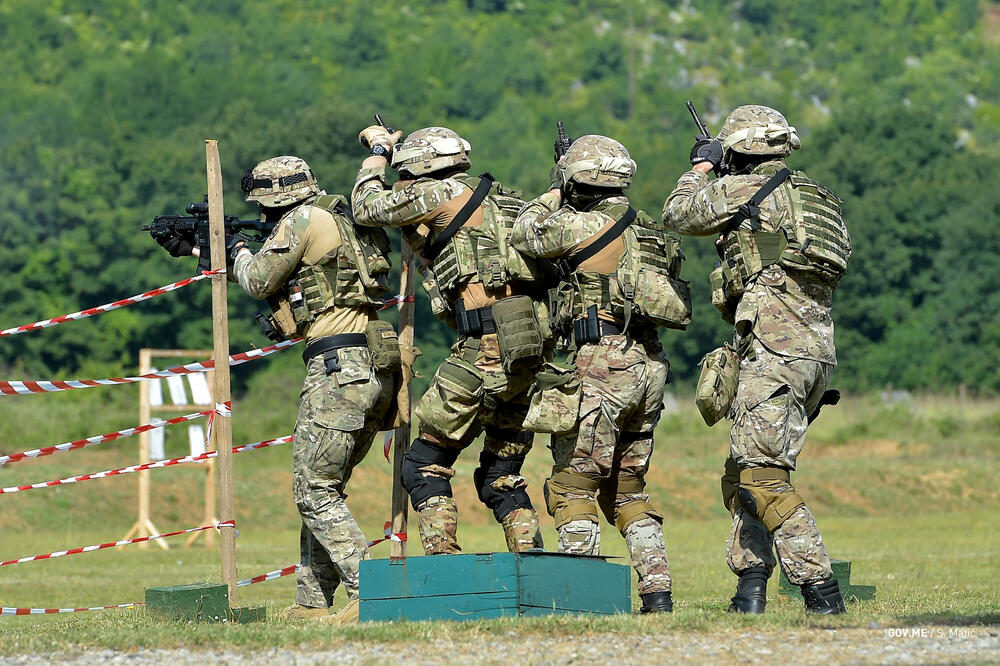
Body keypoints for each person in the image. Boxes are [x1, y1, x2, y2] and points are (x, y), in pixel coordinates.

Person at [155, 155, 399, 622]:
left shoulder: (303, 219)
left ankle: (369, 590)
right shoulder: (344, 217)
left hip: (338, 367)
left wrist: (234, 247)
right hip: (372, 364)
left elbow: (256, 279)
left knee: (313, 489)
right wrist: (203, 248)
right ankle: (311, 601)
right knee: (324, 487)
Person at [663, 105, 852, 614]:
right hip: (813, 352)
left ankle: (822, 594)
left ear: (737, 148)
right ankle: (750, 590)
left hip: (773, 348)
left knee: (763, 480)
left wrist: (702, 166)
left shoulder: (745, 189)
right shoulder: (816, 196)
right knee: (745, 471)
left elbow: (678, 213)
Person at [511, 135, 692, 614]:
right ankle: (658, 596)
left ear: (579, 179)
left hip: (603, 361)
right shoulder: (649, 231)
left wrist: (553, 190)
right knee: (628, 490)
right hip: (650, 365)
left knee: (574, 484)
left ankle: (582, 599)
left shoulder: (583, 223)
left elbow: (525, 232)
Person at [351, 124, 548, 555]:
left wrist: (379, 153)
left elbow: (366, 207)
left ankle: (444, 561)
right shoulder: (508, 200)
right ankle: (532, 563)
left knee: (424, 465)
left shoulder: (437, 195)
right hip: (532, 350)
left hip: (485, 346)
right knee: (501, 471)